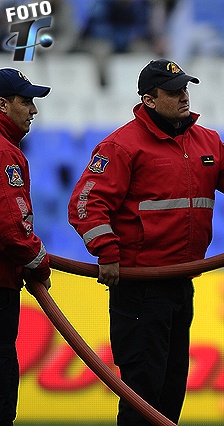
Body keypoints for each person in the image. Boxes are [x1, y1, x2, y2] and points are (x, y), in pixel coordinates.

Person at [67, 59, 224, 425]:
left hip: (180, 284)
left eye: (184, 89)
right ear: (149, 100)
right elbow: (85, 203)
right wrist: (107, 251)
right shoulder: (120, 146)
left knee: (169, 393)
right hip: (140, 287)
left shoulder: (205, 139)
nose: (184, 96)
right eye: (173, 92)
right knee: (143, 396)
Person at [0, 68, 52, 426]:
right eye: (26, 101)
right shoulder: (5, 152)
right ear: (2, 105)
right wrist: (39, 263)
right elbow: (11, 225)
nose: (33, 109)